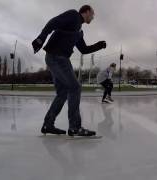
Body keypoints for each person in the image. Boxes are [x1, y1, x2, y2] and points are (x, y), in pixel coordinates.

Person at [32, 5, 106, 136]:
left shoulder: (78, 30)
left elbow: (84, 49)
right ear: (86, 11)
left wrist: (99, 45)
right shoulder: (73, 15)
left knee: (63, 92)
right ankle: (75, 127)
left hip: (59, 58)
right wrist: (41, 38)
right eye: (92, 14)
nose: (93, 18)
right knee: (75, 88)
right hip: (57, 57)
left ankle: (48, 124)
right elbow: (53, 23)